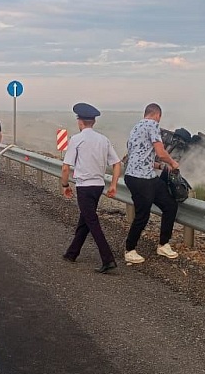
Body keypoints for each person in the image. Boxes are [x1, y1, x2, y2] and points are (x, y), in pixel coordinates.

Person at [60, 102, 122, 273]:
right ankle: (72, 253)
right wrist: (114, 184)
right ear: (93, 121)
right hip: (98, 186)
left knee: (92, 222)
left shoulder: (76, 140)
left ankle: (108, 259)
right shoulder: (104, 140)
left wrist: (65, 185)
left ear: (80, 121)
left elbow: (66, 167)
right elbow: (117, 163)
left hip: (84, 187)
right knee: (85, 220)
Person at [123, 103, 182, 264]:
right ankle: (130, 249)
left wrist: (159, 166)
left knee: (169, 205)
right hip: (141, 178)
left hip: (138, 175)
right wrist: (172, 163)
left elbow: (140, 155)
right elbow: (161, 153)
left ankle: (163, 244)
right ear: (158, 115)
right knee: (143, 214)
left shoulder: (135, 128)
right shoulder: (153, 125)